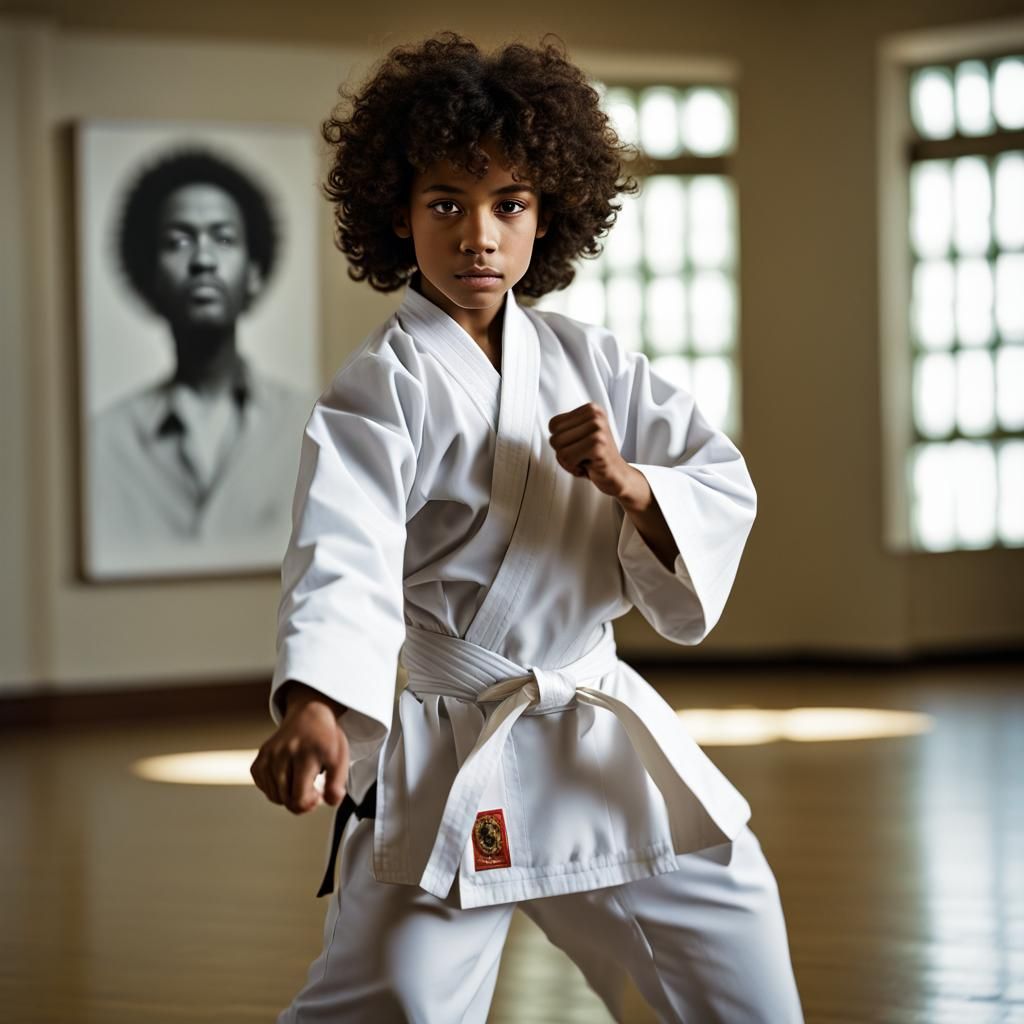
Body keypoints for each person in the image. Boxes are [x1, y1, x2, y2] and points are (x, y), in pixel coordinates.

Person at [251, 33, 804, 1023]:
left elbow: (715, 480)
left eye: (509, 204)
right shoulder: (382, 387)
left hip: (595, 732)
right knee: (397, 993)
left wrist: (633, 485)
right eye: (446, 204)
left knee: (736, 919)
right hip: (459, 742)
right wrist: (316, 702)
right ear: (398, 213)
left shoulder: (594, 362)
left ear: (547, 214)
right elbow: (343, 545)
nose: (480, 236)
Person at [88, 150, 311, 575]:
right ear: (150, 276)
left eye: (224, 239)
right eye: (178, 242)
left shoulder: (310, 425)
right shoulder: (104, 441)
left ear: (254, 273)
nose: (203, 260)